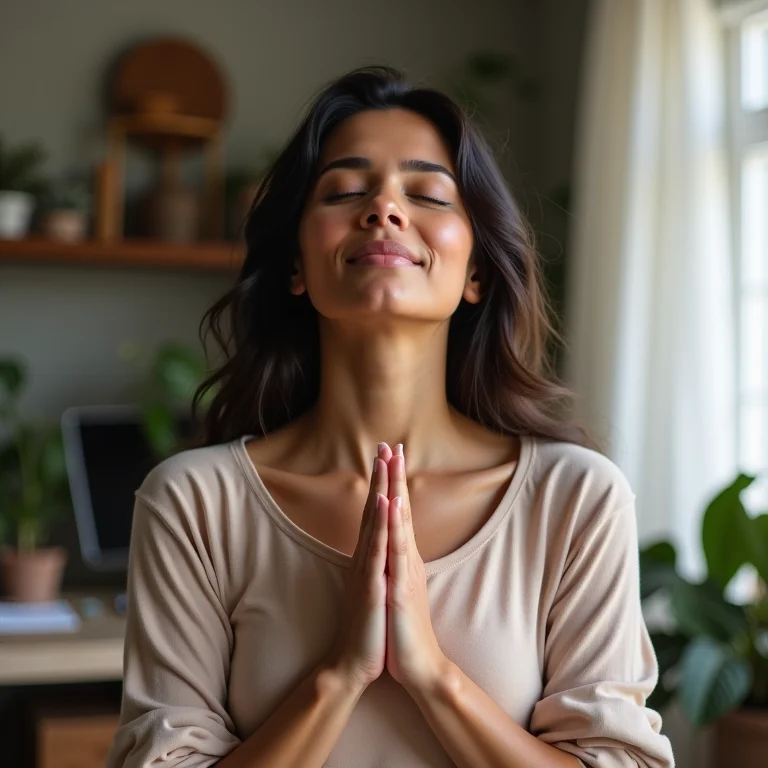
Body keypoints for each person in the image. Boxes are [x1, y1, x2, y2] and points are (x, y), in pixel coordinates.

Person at [107, 67, 674, 768]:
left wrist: (433, 675)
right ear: (296, 265)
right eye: (345, 191)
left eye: (428, 192)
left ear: (476, 274)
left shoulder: (575, 499)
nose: (383, 208)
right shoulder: (192, 503)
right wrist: (339, 676)